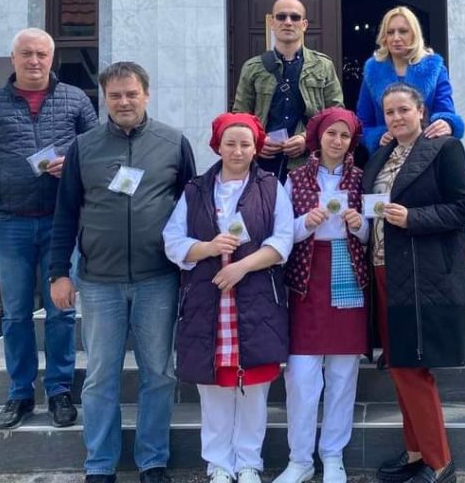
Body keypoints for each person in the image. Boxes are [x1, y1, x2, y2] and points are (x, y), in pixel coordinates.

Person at [49, 61, 196, 483]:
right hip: (99, 282)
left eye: (132, 93)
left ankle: (153, 461)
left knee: (159, 374)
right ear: (104, 99)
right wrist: (59, 272)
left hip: (158, 279)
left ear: (146, 94)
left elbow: (192, 208)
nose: (124, 102)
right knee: (99, 376)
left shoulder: (173, 143)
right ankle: (100, 464)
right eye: (115, 95)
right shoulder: (84, 147)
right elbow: (65, 213)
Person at [0, 27, 96, 430]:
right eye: (26, 54)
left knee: (62, 310)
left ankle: (60, 390)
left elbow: (98, 152)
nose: (34, 61)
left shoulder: (76, 99)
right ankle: (19, 393)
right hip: (9, 221)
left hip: (61, 222)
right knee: (15, 314)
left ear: (52, 58)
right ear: (12, 59)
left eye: (41, 54)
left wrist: (74, 165)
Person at [164, 113, 294, 483]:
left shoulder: (271, 187)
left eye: (245, 144)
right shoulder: (195, 189)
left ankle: (249, 462)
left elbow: (283, 240)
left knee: (253, 389)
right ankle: (219, 463)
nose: (237, 151)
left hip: (256, 299)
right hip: (208, 299)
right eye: (230, 143)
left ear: (256, 148)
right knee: (213, 389)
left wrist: (242, 267)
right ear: (217, 146)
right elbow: (172, 240)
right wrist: (208, 247)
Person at [361, 83, 465, 483]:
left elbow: (464, 208)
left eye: (403, 110)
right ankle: (415, 453)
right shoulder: (381, 155)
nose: (396, 117)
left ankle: (440, 462)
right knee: (399, 365)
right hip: (381, 269)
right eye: (389, 112)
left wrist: (413, 218)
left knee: (413, 368)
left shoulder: (445, 149)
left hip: (419, 274)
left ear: (421, 111)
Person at [274, 108, 369, 483]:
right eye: (332, 133)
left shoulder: (361, 178)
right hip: (306, 277)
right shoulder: (295, 178)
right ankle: (299, 458)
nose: (337, 141)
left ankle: (333, 455)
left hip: (347, 271)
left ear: (352, 142)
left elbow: (372, 234)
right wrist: (305, 223)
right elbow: (283, 233)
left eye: (345, 136)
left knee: (343, 372)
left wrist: (360, 226)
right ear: (318, 136)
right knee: (301, 375)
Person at [232, 0, 344, 181]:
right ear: (272, 23)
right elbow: (240, 115)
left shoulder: (323, 65)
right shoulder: (253, 68)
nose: (288, 22)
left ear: (304, 24)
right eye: (281, 16)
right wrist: (257, 139)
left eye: (295, 17)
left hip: (309, 162)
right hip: (263, 164)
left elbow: (336, 114)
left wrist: (307, 138)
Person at [356, 6, 464, 153]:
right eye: (390, 32)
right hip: (387, 154)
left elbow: (446, 111)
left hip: (428, 151)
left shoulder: (435, 68)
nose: (396, 38)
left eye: (403, 31)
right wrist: (378, 137)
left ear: (414, 34)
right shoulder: (372, 70)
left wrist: (447, 124)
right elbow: (363, 123)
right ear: (384, 37)